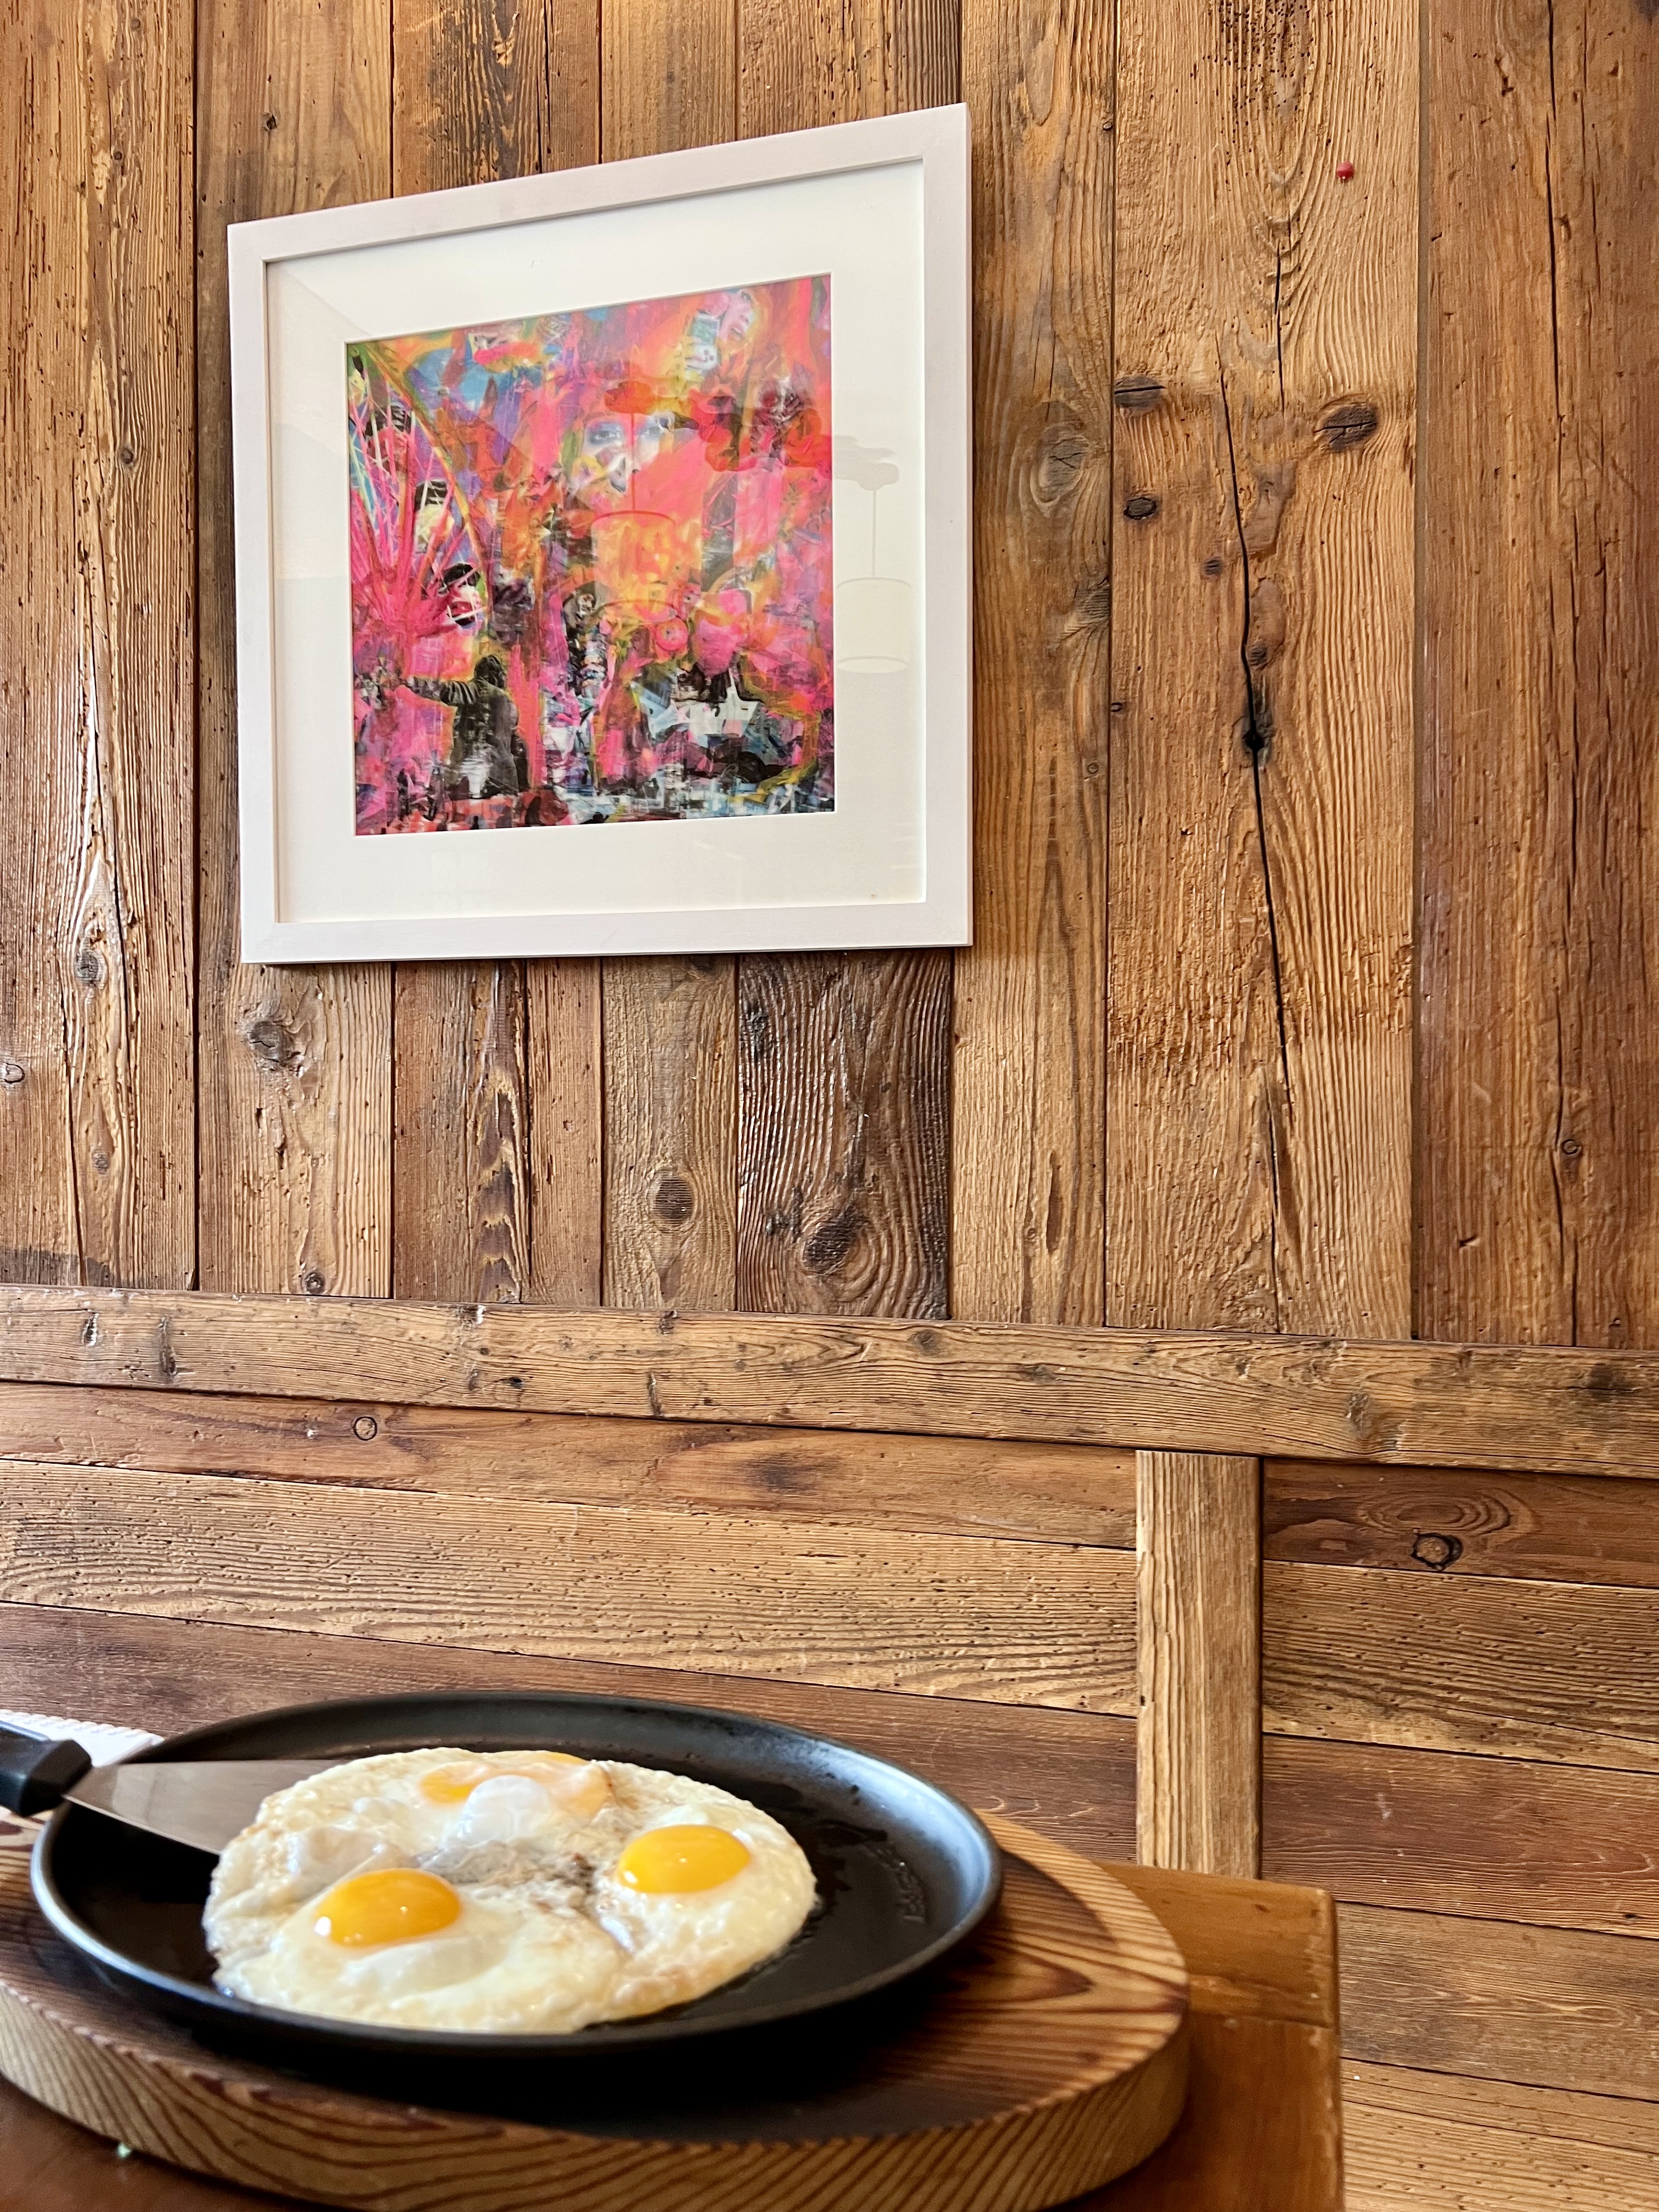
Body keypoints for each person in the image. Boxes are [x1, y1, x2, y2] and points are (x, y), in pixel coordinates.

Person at [401, 654, 528, 801]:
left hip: (479, 776)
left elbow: (447, 690)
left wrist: (411, 682)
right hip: (505, 779)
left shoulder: (480, 689)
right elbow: (517, 746)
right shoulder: (510, 704)